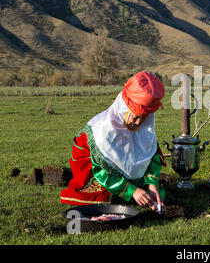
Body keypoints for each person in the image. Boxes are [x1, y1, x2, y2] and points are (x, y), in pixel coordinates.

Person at [60, 71, 166, 213]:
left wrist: (152, 186)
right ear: (124, 109)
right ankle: (125, 189)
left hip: (122, 175)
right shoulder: (104, 129)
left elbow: (150, 154)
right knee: (102, 195)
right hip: (93, 168)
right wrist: (132, 191)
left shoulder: (143, 125)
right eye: (135, 117)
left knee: (154, 194)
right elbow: (101, 170)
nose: (138, 123)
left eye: (144, 118)